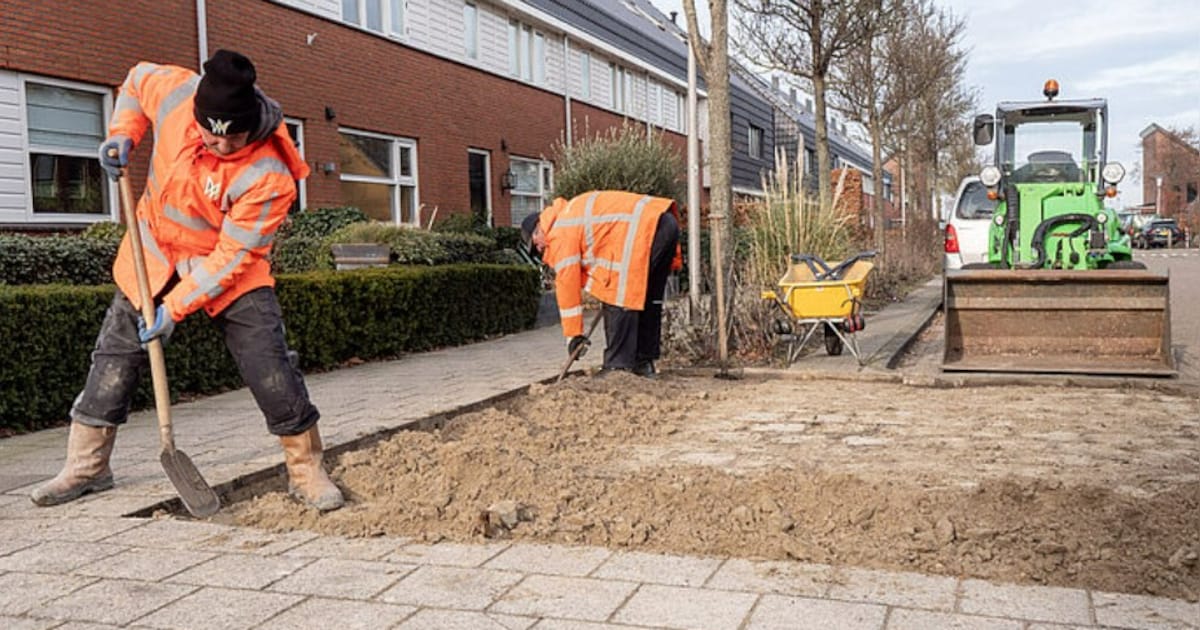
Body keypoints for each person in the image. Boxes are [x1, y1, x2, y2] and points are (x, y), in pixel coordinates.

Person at [31, 50, 344, 512]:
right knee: (114, 357)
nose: (217, 147)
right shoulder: (178, 94)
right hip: (154, 252)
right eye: (208, 135)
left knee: (269, 363)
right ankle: (88, 466)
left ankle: (306, 468)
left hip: (228, 271)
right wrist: (123, 134)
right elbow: (136, 81)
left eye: (230, 141)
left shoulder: (269, 174)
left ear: (250, 125)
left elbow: (231, 256)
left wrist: (175, 309)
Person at [521, 190, 681, 377]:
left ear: (539, 228)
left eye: (536, 245)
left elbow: (567, 286)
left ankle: (617, 366)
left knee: (617, 294)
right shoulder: (570, 215)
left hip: (647, 232)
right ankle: (643, 364)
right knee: (646, 299)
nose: (539, 250)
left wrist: (573, 335)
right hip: (664, 223)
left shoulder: (559, 231)